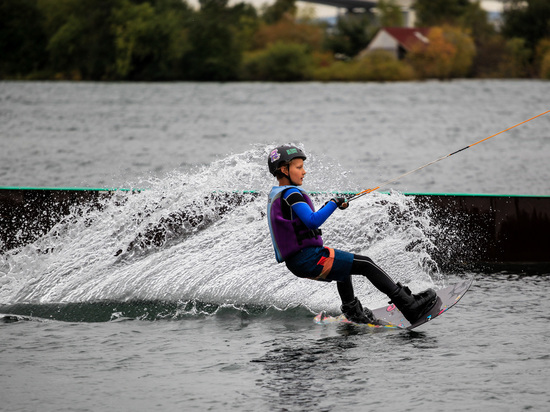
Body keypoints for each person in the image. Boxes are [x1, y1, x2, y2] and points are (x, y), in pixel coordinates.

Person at [267, 144, 437, 324]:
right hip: (308, 258)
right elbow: (312, 221)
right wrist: (333, 202)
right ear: (284, 169)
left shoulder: (279, 194)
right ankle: (409, 305)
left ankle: (353, 313)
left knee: (343, 268)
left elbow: (305, 219)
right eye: (299, 167)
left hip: (299, 261)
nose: (304, 171)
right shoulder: (291, 194)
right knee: (366, 264)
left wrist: (330, 205)